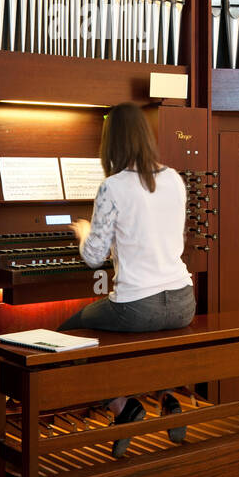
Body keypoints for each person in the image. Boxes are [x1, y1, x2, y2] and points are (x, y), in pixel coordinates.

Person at [62, 102, 196, 456]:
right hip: (183, 301)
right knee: (152, 335)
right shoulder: (175, 179)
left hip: (138, 306)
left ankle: (124, 406)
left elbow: (93, 257)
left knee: (66, 336)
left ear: (112, 143)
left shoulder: (113, 187)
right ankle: (169, 396)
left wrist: (84, 231)